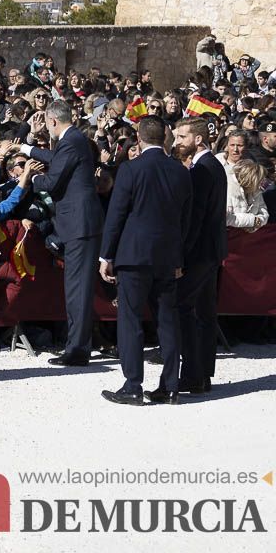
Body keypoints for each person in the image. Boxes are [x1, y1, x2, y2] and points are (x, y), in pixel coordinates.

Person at [98, 117, 191, 406]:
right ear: (165, 138)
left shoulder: (130, 169)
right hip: (167, 256)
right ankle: (170, 386)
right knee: (167, 321)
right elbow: (186, 219)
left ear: (139, 138)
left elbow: (116, 214)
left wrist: (106, 255)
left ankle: (133, 385)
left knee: (131, 320)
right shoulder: (181, 171)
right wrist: (179, 256)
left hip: (134, 255)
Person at [18, 100, 104, 366]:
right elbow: (56, 159)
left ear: (52, 121)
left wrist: (29, 177)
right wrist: (25, 149)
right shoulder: (75, 138)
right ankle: (78, 346)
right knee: (78, 287)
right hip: (81, 223)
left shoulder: (70, 141)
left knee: (77, 289)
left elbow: (52, 182)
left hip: (79, 224)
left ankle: (77, 349)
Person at [172, 117, 227, 396]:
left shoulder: (203, 169)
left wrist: (181, 254)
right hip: (211, 251)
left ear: (198, 139)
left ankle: (193, 374)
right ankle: (202, 375)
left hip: (199, 253)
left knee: (183, 308)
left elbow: (196, 217)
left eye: (182, 137)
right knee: (204, 313)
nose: (177, 142)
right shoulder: (211, 165)